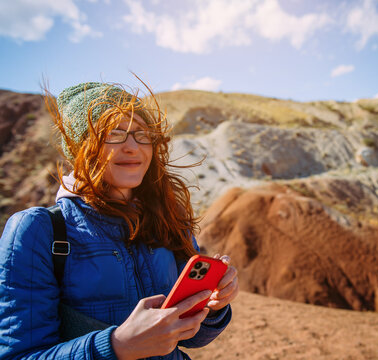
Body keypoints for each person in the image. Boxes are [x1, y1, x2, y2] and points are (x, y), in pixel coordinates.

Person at [0, 81, 239, 359]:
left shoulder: (167, 219)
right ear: (80, 148)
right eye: (114, 134)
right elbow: (19, 355)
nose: (132, 147)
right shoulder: (39, 231)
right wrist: (116, 346)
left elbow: (190, 338)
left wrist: (213, 306)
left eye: (141, 134)